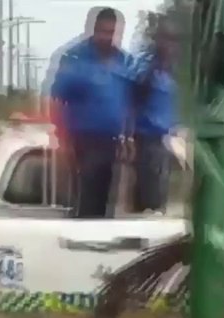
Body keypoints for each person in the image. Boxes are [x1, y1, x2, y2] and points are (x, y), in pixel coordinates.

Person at [49, 8, 134, 218]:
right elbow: (57, 99)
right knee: (88, 196)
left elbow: (131, 103)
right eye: (103, 31)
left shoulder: (124, 61)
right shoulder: (75, 58)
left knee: (109, 200)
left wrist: (129, 137)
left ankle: (99, 234)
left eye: (111, 32)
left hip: (113, 140)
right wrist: (62, 138)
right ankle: (84, 233)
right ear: (94, 30)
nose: (107, 37)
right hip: (83, 139)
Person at [128, 18, 178, 214]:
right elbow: (134, 94)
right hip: (146, 135)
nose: (171, 45)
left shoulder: (169, 70)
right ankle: (147, 210)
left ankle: (154, 209)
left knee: (160, 181)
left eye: (173, 41)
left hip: (164, 136)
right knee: (149, 182)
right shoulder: (147, 66)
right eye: (167, 40)